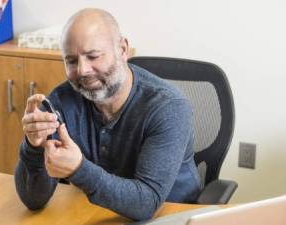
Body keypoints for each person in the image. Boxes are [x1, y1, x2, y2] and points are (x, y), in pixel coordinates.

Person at [15, 8, 201, 221]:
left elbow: (146, 204)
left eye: (93, 56)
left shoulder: (168, 107)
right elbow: (32, 200)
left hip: (173, 215)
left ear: (122, 49)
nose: (83, 70)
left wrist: (78, 169)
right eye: (72, 61)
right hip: (97, 214)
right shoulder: (61, 101)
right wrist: (33, 147)